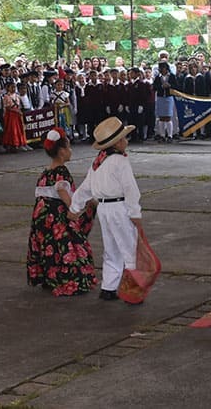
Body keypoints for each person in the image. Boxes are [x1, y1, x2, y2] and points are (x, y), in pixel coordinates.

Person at [69, 116, 143, 301]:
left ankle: (109, 287)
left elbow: (86, 187)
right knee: (129, 249)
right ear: (117, 143)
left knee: (111, 249)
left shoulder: (98, 162)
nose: (126, 141)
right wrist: (134, 212)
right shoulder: (120, 161)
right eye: (124, 138)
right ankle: (133, 290)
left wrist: (75, 206)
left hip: (103, 209)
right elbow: (130, 189)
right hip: (119, 208)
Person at [27, 128, 98, 296]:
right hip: (56, 217)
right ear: (61, 151)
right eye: (68, 147)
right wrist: (74, 208)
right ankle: (68, 280)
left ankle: (49, 277)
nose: (71, 151)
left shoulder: (46, 172)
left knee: (48, 246)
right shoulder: (61, 171)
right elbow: (62, 191)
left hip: (42, 217)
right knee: (66, 247)